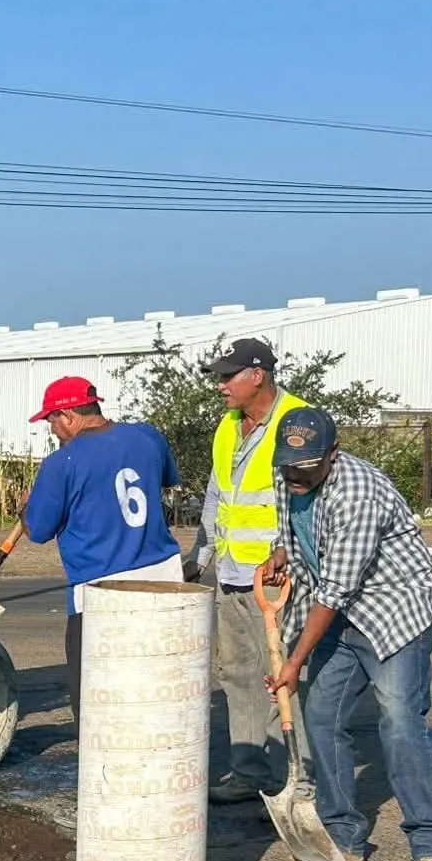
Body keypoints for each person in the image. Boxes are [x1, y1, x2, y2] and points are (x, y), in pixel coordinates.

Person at [263, 407, 432, 861]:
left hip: (393, 615)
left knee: (400, 722)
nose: (293, 475)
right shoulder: (289, 472)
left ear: (333, 454)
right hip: (338, 617)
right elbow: (293, 532)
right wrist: (280, 553)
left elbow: (335, 589)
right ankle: (343, 837)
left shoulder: (358, 492)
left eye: (305, 467)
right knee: (323, 717)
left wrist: (293, 661)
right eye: (287, 465)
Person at [20, 376, 185, 728]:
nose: (52, 431)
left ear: (67, 416)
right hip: (165, 578)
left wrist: (26, 508)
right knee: (156, 685)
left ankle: (108, 776)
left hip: (100, 591)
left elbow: (38, 531)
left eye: (51, 421)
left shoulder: (61, 463)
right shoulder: (147, 436)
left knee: (98, 700)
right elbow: (165, 481)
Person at [188, 337, 309, 805]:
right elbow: (217, 498)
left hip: (278, 580)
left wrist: (288, 554)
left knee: (283, 677)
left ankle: (291, 779)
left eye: (227, 376)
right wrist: (201, 558)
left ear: (256, 375)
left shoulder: (296, 422)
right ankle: (248, 770)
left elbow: (311, 499)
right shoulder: (228, 427)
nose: (220, 386)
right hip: (232, 574)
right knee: (238, 674)